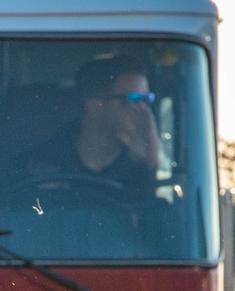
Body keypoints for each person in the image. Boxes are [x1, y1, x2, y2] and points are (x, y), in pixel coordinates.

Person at [26, 55, 161, 199]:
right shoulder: (39, 164)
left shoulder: (138, 168)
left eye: (147, 100)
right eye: (134, 99)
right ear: (95, 105)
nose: (145, 112)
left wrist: (149, 165)